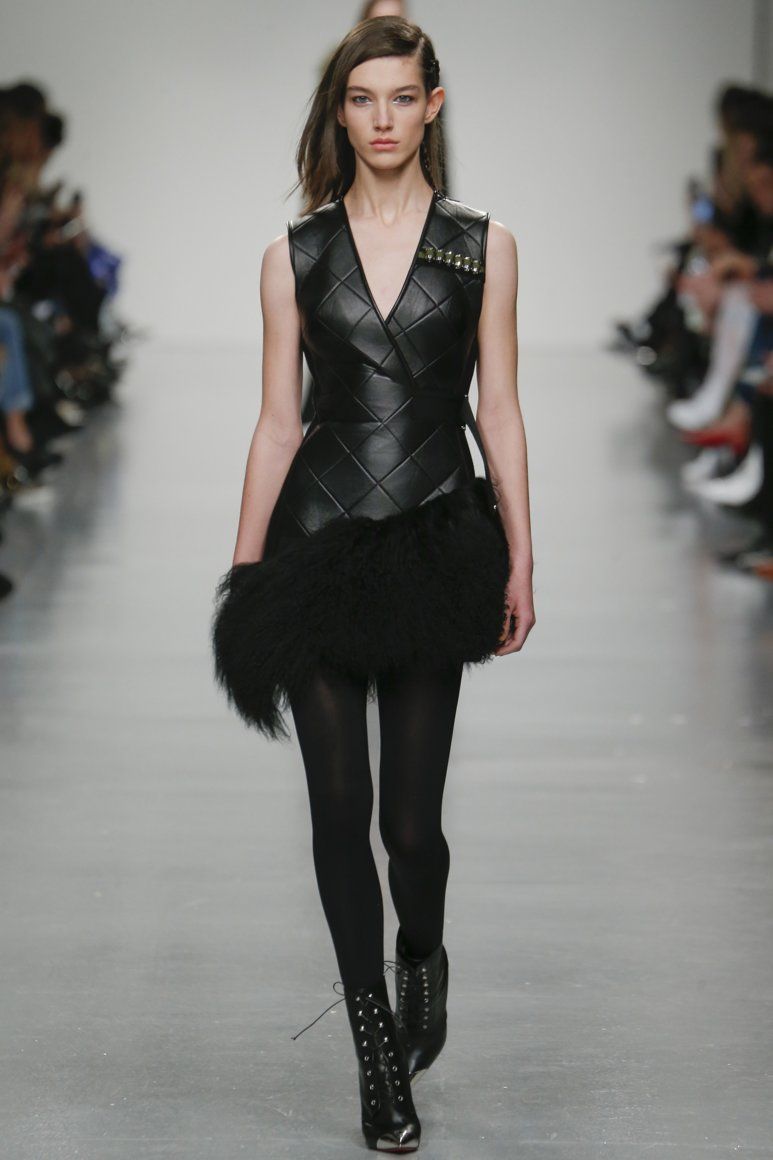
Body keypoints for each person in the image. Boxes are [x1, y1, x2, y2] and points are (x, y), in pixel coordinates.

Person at [211, 16, 534, 1152]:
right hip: (316, 546)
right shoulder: (293, 254)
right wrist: (245, 577)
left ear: (431, 105)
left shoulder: (483, 246)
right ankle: (375, 1056)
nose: (382, 118)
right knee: (339, 809)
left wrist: (521, 553)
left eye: (402, 97)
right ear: (340, 113)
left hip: (434, 546)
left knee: (410, 827)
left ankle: (421, 952)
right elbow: (275, 423)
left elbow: (498, 408)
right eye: (362, 99)